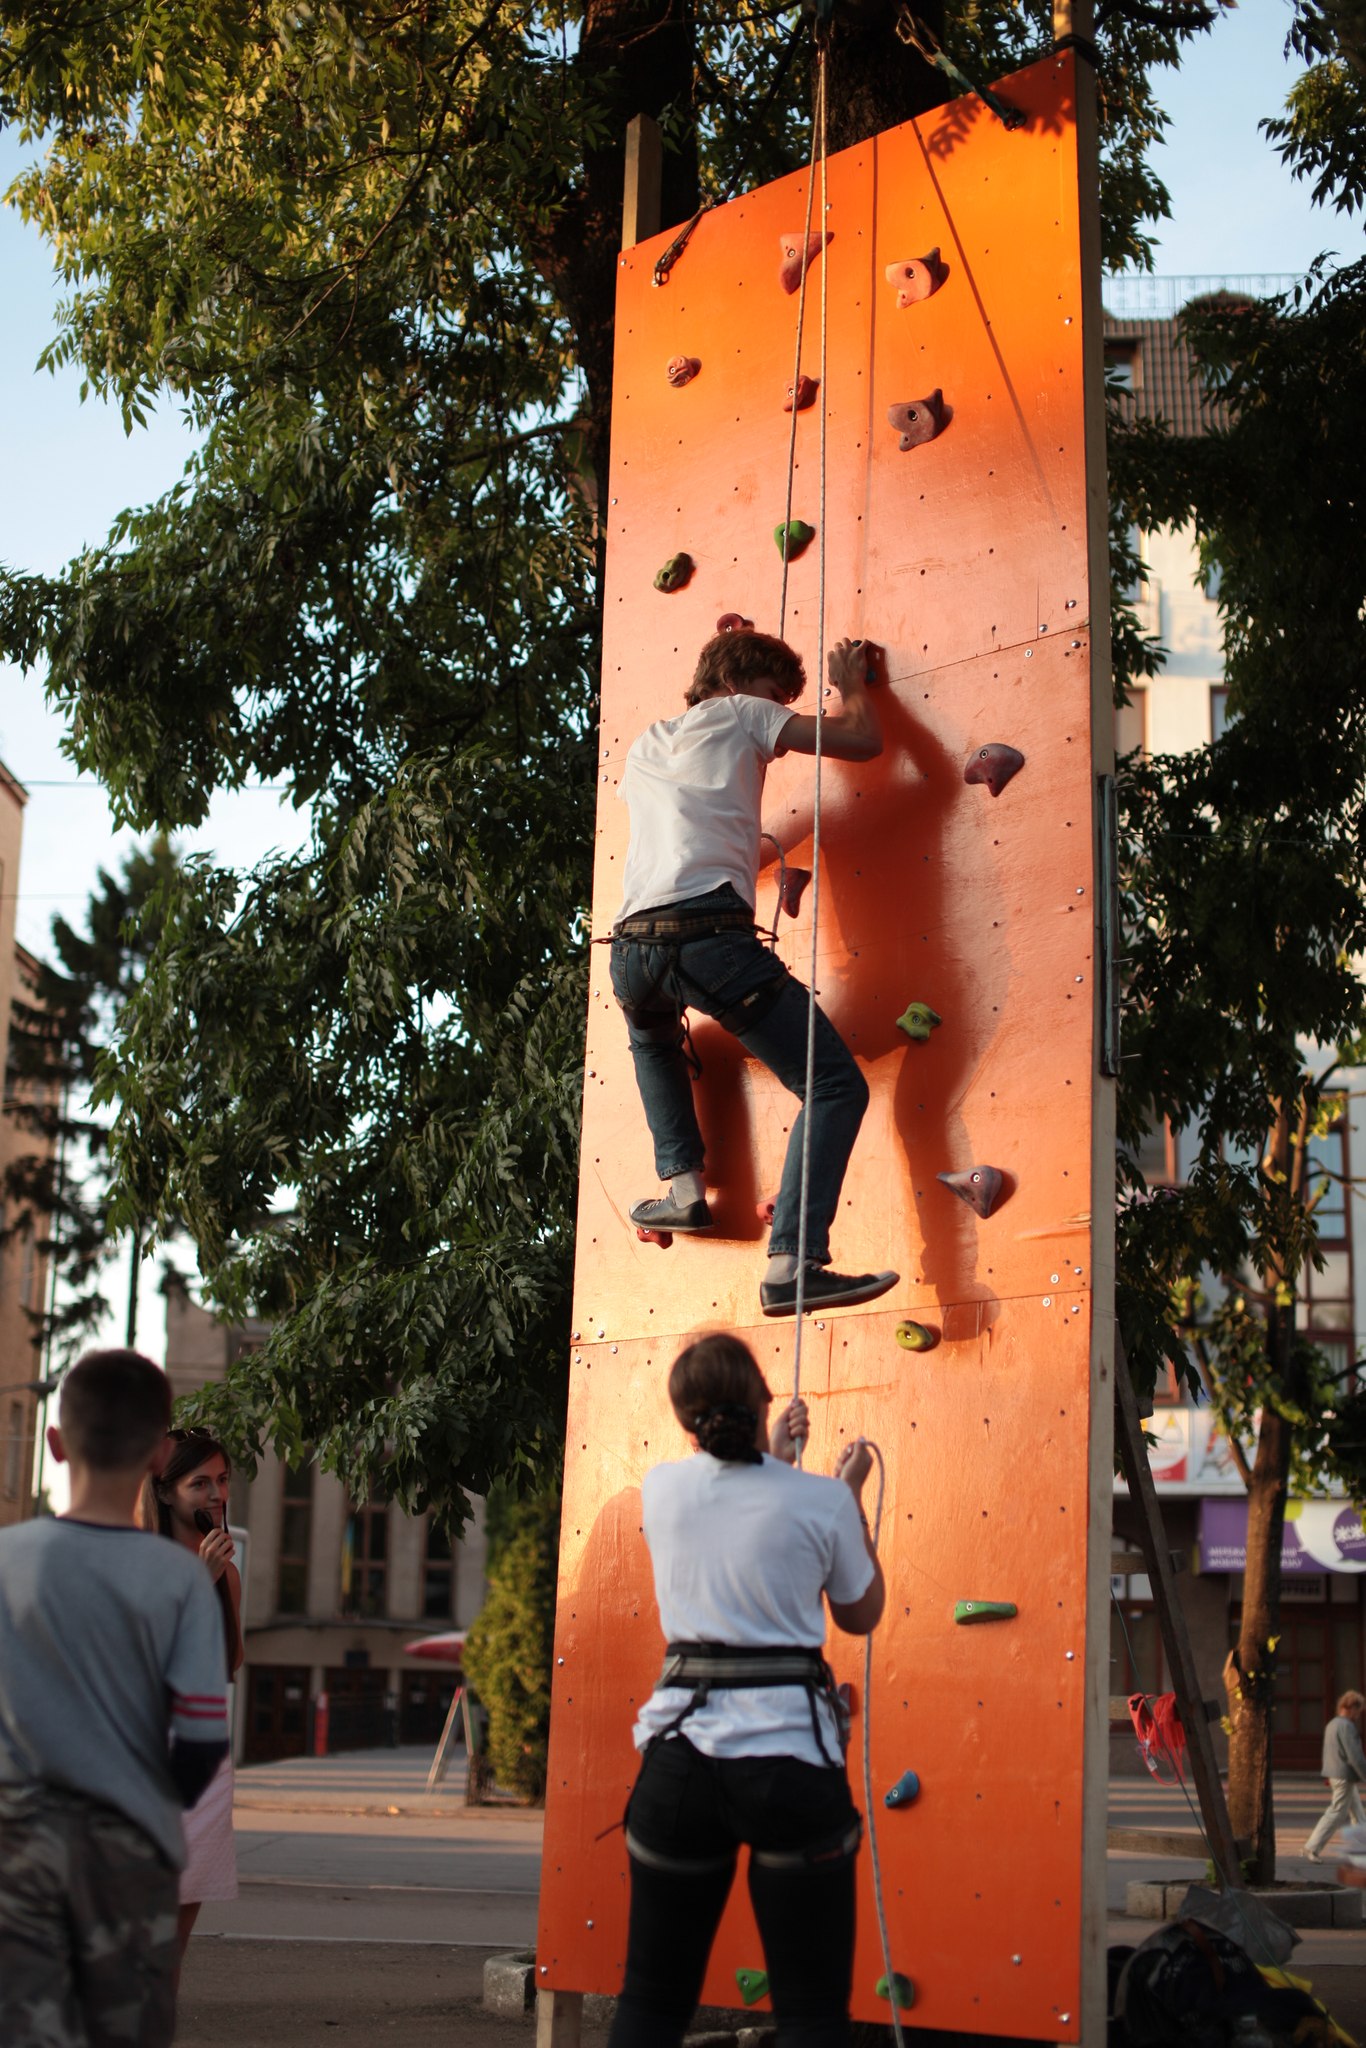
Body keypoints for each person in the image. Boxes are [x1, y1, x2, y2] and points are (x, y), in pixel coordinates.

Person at [610, 626, 899, 1319]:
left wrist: (759, 847)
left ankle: (682, 1189)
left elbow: (694, 824)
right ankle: (792, 1263)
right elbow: (862, 742)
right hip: (707, 936)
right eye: (778, 695)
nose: (780, 710)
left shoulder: (647, 743)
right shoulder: (743, 710)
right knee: (831, 1083)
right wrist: (848, 687)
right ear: (743, 680)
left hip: (631, 947)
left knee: (653, 1038)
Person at [608, 1331, 886, 2048]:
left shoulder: (662, 1490)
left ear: (685, 1416)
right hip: (791, 1767)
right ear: (764, 1402)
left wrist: (781, 1462)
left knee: (650, 2003)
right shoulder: (822, 1501)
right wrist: (845, 1494)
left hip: (678, 1766)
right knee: (812, 2014)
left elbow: (740, 1512)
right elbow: (860, 1615)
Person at [0, 1349, 229, 2048]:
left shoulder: (7, 1561)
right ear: (161, 1455)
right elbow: (201, 1739)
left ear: (56, 1444)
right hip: (130, 1855)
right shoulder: (182, 1580)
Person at [139, 1427, 245, 1966]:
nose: (216, 1495)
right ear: (164, 1492)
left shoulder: (226, 1574)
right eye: (199, 1483)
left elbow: (229, 1661)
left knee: (173, 1944)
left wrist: (215, 1581)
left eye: (222, 1481)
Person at [1304, 1691, 1366, 1863]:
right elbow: (1355, 1756)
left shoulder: (1332, 1724)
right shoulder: (1347, 1726)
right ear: (1352, 1707)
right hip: (1344, 1775)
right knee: (1337, 1812)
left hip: (1336, 1774)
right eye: (1359, 1710)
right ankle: (1312, 1846)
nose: (1359, 1715)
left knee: (1358, 1815)